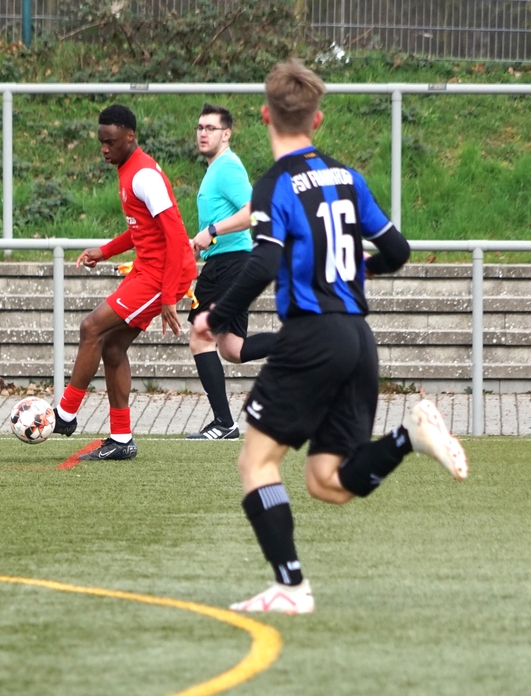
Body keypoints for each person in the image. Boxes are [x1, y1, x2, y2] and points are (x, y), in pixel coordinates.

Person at [193, 60, 468, 613]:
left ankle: (291, 588)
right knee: (326, 480)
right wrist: (358, 270)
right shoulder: (347, 177)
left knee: (255, 463)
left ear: (265, 116)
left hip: (312, 335)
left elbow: (264, 260)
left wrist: (217, 317)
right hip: (358, 338)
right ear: (316, 119)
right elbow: (397, 251)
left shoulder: (275, 184)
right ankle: (408, 437)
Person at [51, 104, 196, 460]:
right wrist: (105, 251)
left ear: (130, 136)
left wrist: (168, 296)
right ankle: (121, 439)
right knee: (113, 347)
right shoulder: (128, 169)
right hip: (149, 270)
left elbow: (177, 238)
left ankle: (65, 414)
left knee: (91, 327)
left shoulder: (144, 176)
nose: (104, 149)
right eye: (101, 142)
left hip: (162, 275)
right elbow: (141, 229)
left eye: (111, 142)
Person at [186, 103, 278, 441]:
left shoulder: (226, 167)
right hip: (231, 261)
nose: (203, 133)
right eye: (200, 127)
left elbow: (255, 210)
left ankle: (224, 423)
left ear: (226, 134)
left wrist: (211, 231)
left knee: (200, 337)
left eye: (210, 128)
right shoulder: (217, 168)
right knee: (232, 349)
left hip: (229, 263)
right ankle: (300, 339)